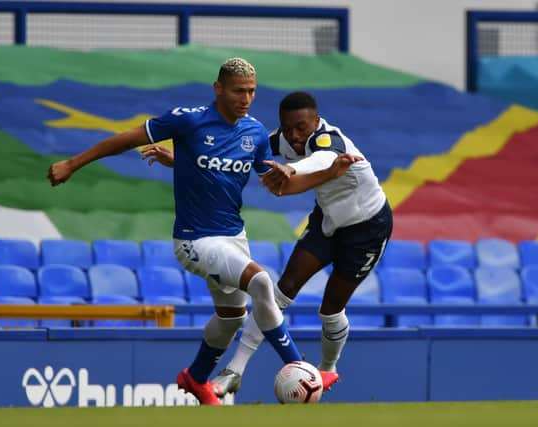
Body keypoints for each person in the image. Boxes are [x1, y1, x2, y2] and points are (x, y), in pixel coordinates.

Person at [47, 59, 341, 405]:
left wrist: (328, 172)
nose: (246, 98)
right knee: (262, 282)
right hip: (194, 239)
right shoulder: (188, 120)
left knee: (232, 318)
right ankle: (297, 366)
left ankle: (196, 378)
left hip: (233, 237)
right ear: (218, 89)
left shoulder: (256, 133)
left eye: (251, 91)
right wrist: (72, 163)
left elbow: (275, 185)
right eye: (238, 91)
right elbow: (126, 140)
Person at [210, 91, 394, 397]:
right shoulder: (283, 139)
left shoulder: (328, 139)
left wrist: (292, 168)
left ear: (316, 121)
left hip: (368, 228)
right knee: (282, 288)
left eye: (301, 127)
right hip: (328, 222)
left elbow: (323, 158)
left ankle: (327, 369)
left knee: (331, 310)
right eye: (287, 128)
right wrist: (187, 159)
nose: (294, 136)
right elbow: (237, 151)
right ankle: (235, 370)